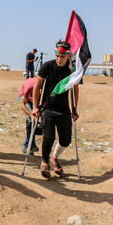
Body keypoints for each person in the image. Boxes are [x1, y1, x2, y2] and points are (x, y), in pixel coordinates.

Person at [32, 40, 79, 179]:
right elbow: (37, 86)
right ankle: (45, 161)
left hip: (64, 109)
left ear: (68, 56)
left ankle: (54, 157)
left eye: (62, 57)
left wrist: (74, 109)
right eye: (57, 56)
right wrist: (35, 107)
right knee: (49, 137)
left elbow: (76, 89)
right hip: (47, 108)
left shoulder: (72, 70)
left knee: (66, 140)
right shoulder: (47, 66)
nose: (59, 59)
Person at [19, 77, 39, 154]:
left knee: (35, 121)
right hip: (25, 97)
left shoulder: (45, 89)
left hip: (33, 99)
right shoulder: (30, 86)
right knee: (30, 121)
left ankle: (31, 145)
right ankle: (26, 146)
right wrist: (31, 115)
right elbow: (23, 103)